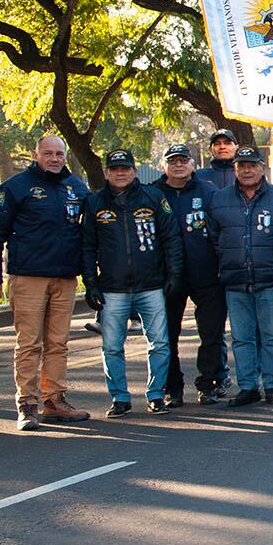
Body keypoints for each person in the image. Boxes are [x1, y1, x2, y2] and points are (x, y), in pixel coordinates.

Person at [0, 134, 92, 430]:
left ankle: (53, 401)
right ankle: (27, 405)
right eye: (48, 153)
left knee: (58, 344)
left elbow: (92, 227)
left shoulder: (76, 187)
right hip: (28, 277)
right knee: (29, 343)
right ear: (36, 155)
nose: (54, 158)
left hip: (65, 277)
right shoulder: (15, 188)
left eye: (59, 153)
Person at [82, 149, 182, 417]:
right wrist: (90, 282)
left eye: (125, 168)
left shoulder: (153, 197)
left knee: (159, 343)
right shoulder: (94, 203)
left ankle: (157, 395)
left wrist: (174, 275)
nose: (120, 173)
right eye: (114, 169)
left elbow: (171, 238)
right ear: (106, 172)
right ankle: (120, 398)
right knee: (112, 346)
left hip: (150, 285)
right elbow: (88, 246)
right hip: (112, 288)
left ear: (134, 171)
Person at [207, 145, 273, 407]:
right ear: (235, 169)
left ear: (262, 167)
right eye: (241, 165)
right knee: (242, 338)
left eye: (252, 165)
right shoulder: (219, 198)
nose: (247, 170)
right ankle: (247, 386)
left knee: (271, 337)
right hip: (235, 280)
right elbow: (213, 236)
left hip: (270, 280)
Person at [151, 145, 230, 404]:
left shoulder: (208, 191)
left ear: (192, 164)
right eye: (172, 161)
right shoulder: (152, 193)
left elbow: (220, 228)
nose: (178, 165)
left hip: (206, 274)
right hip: (167, 276)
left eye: (183, 160)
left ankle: (208, 383)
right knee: (167, 335)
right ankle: (172, 387)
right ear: (163, 166)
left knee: (211, 333)